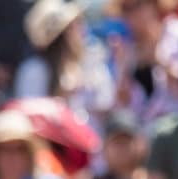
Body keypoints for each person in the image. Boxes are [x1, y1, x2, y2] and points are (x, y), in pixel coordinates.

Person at [109, 0, 178, 127]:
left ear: (154, 4)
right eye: (126, 8)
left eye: (138, 4)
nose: (132, 13)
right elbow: (121, 105)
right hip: (142, 134)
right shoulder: (123, 47)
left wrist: (160, 61)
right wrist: (123, 73)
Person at [14, 0, 113, 131]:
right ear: (62, 36)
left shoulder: (92, 64)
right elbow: (28, 116)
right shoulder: (34, 70)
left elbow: (107, 107)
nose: (82, 29)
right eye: (74, 25)